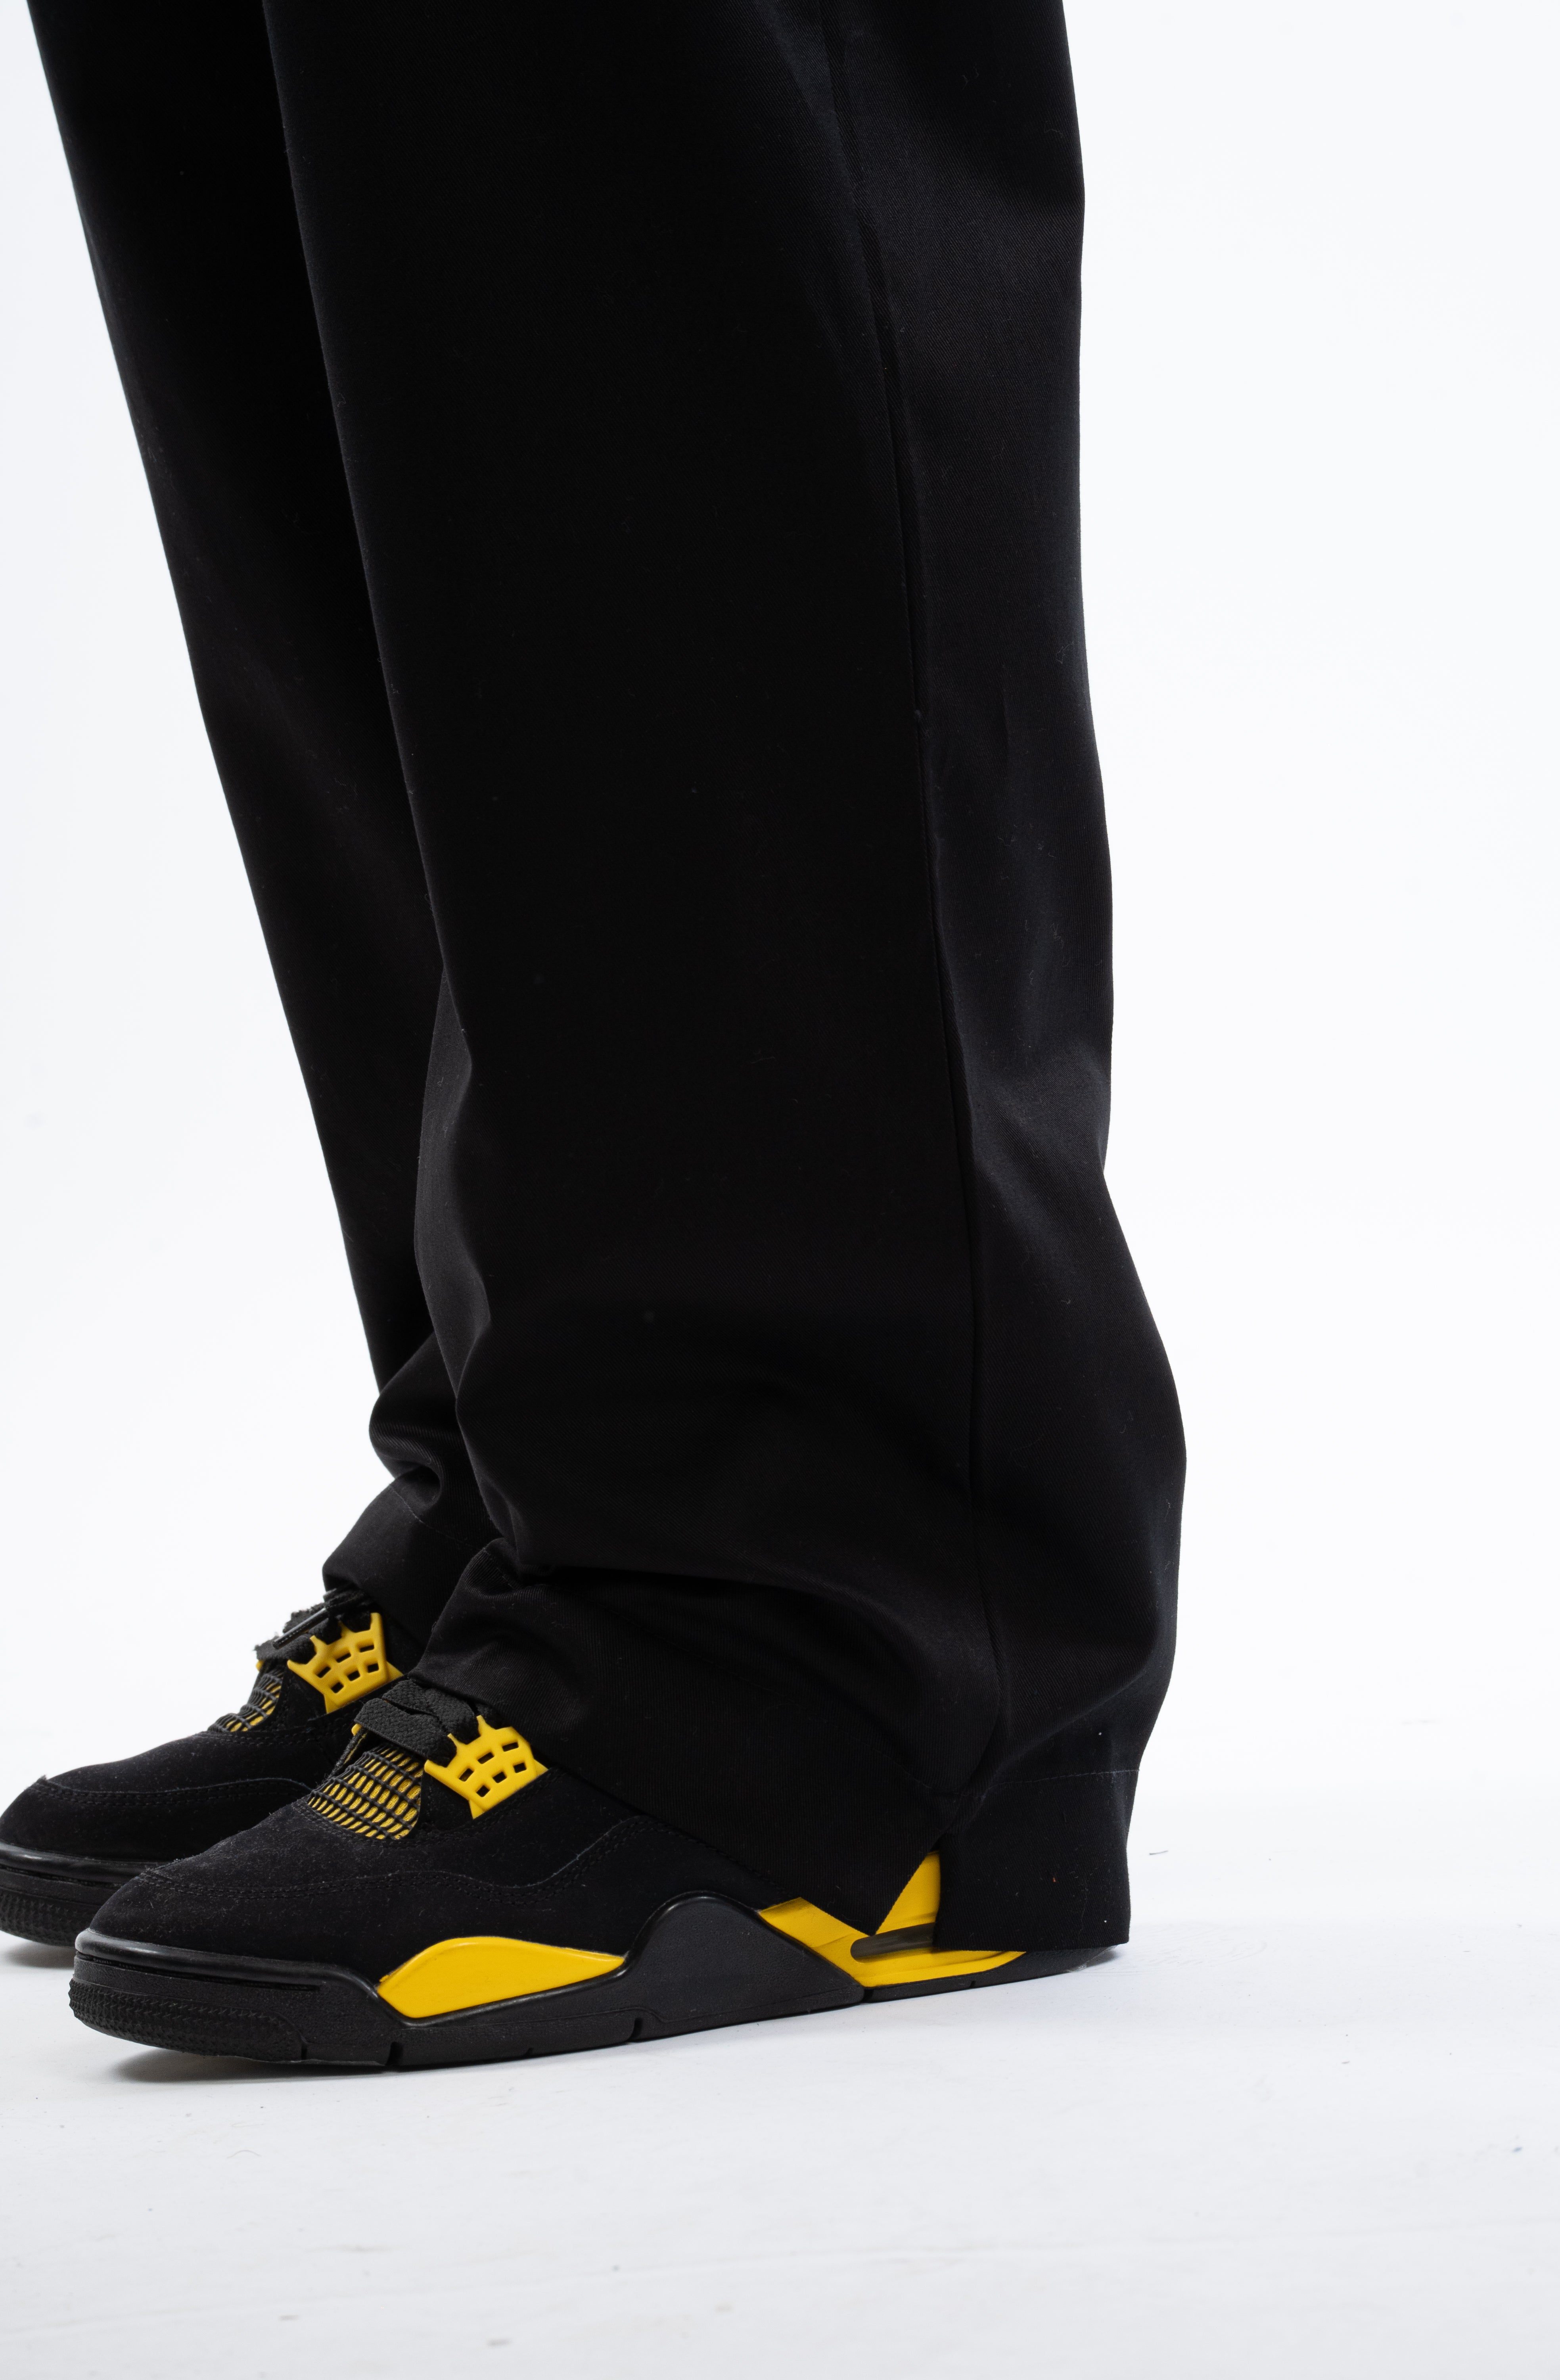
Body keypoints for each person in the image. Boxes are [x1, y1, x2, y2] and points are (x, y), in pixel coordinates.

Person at [0, 0, 1184, 2066]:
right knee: (285, 141)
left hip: (846, 1639)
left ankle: (823, 1623)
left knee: (627, 107)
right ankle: (555, 1491)